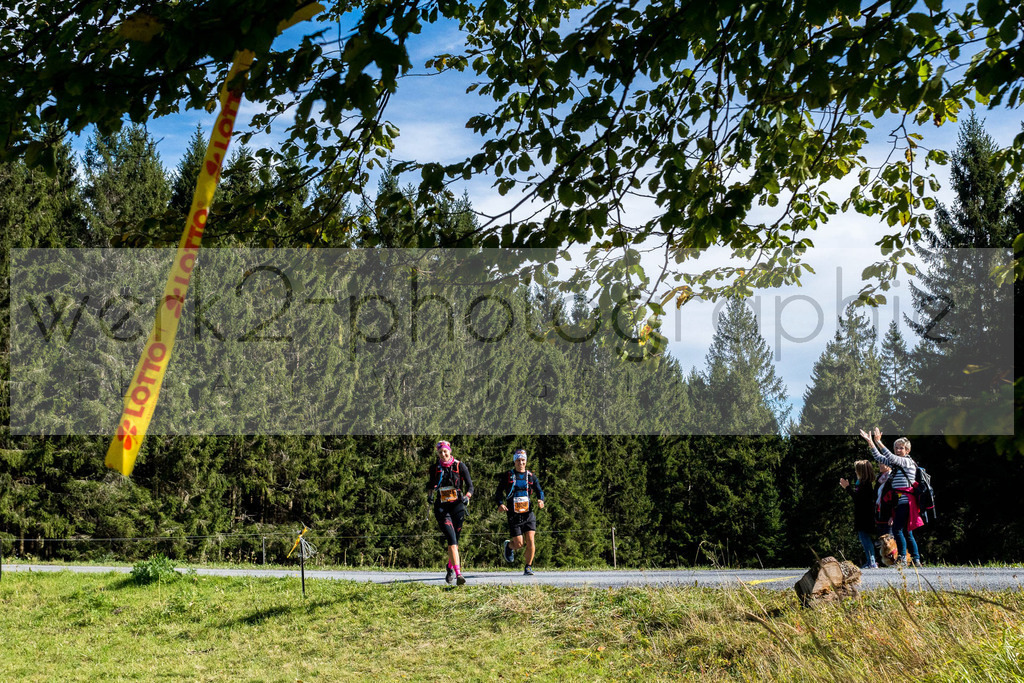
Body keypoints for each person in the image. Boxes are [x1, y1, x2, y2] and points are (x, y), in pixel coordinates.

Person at [859, 428, 922, 567]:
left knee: (898, 530)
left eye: (901, 448)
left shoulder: (907, 462)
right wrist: (870, 442)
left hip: (906, 501)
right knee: (906, 532)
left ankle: (903, 558)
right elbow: (879, 457)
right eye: (896, 448)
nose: (898, 450)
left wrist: (879, 442)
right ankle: (916, 559)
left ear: (907, 451)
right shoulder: (897, 463)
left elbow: (891, 457)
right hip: (901, 502)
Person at [427, 440, 474, 585]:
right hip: (441, 508)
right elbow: (430, 484)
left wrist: (467, 497)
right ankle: (459, 574)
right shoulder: (435, 468)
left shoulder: (460, 466)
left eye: (445, 451)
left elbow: (471, 486)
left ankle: (450, 566)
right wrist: (429, 496)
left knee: (456, 541)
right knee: (451, 540)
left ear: (450, 451)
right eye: (440, 452)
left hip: (458, 506)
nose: (443, 454)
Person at [494, 447, 545, 576]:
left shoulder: (531, 477)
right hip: (514, 514)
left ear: (526, 461)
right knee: (519, 543)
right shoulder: (509, 476)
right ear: (514, 462)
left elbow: (540, 491)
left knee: (531, 540)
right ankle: (509, 546)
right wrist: (500, 504)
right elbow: (498, 492)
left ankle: (528, 567)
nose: (521, 463)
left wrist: (541, 500)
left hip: (528, 513)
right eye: (518, 460)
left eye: (523, 460)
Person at [839, 459, 878, 569]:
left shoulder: (865, 485)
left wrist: (847, 488)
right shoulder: (863, 483)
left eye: (857, 470)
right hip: (864, 514)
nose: (855, 472)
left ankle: (872, 561)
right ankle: (870, 560)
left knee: (865, 537)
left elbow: (858, 500)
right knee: (864, 537)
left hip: (864, 515)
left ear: (861, 471)